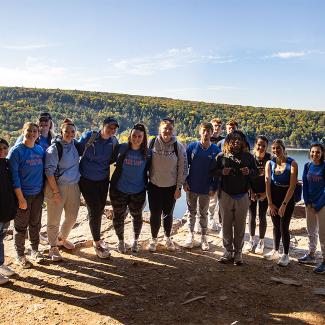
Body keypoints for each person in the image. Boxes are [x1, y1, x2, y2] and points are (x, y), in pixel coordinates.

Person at [213, 130, 258, 265]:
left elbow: (256, 173)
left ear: (243, 142)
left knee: (240, 226)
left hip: (242, 195)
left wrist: (249, 171)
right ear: (228, 141)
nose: (236, 141)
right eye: (233, 139)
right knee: (226, 224)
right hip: (226, 194)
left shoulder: (248, 157)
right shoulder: (221, 156)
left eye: (239, 139)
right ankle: (228, 251)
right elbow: (213, 171)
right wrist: (222, 172)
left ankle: (238, 253)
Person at [78, 117, 119, 259]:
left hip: (103, 180)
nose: (111, 131)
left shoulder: (113, 142)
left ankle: (97, 237)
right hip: (86, 179)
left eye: (114, 129)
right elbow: (77, 149)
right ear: (103, 126)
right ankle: (97, 242)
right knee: (94, 209)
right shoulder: (90, 137)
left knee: (100, 208)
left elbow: (113, 159)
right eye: (109, 127)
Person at [110, 123, 151, 253]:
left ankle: (135, 241)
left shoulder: (148, 153)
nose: (136, 138)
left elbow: (153, 170)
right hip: (119, 190)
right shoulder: (121, 148)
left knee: (137, 216)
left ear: (144, 138)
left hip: (138, 191)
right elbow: (107, 161)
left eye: (139, 136)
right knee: (118, 216)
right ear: (130, 136)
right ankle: (121, 241)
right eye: (134, 135)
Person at [148, 118, 188, 252]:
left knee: (168, 214)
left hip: (171, 188)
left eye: (170, 129)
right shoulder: (152, 143)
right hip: (154, 186)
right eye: (165, 128)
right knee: (154, 214)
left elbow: (183, 168)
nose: (167, 131)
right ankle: (154, 239)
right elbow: (145, 163)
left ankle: (167, 238)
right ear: (160, 129)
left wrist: (179, 187)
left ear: (173, 130)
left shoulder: (178, 146)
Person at [8, 122, 45, 268]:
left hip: (37, 194)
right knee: (20, 227)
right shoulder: (16, 151)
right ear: (23, 132)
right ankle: (20, 255)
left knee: (35, 224)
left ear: (38, 134)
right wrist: (20, 198)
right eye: (29, 131)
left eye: (34, 131)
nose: (32, 133)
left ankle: (34, 250)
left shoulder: (39, 150)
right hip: (23, 195)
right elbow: (14, 177)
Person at [45, 119, 81, 261]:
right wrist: (55, 192)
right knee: (54, 219)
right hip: (57, 186)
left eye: (72, 132)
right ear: (61, 132)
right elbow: (49, 171)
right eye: (67, 131)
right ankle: (53, 247)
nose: (70, 134)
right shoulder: (55, 148)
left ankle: (61, 238)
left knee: (72, 217)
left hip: (74, 185)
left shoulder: (74, 145)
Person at [184, 122, 220, 251]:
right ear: (200, 132)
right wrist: (185, 182)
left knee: (204, 213)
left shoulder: (216, 150)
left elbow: (218, 172)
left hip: (206, 188)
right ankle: (190, 234)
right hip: (192, 186)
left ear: (212, 133)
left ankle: (204, 237)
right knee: (191, 212)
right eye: (204, 131)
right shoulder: (192, 147)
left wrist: (214, 187)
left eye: (208, 131)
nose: (206, 133)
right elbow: (184, 166)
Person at [264, 139, 298, 267]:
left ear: (283, 148)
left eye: (278, 148)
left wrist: (284, 204)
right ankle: (275, 250)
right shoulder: (270, 163)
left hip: (287, 199)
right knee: (275, 226)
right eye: (273, 148)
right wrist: (270, 203)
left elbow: (292, 186)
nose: (276, 151)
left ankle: (286, 255)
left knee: (284, 226)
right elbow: (267, 184)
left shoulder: (292, 163)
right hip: (274, 198)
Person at [298, 143, 325, 274]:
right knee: (311, 230)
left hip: (322, 204)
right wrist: (307, 201)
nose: (315, 154)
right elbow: (305, 184)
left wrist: (318, 204)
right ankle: (311, 254)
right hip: (309, 204)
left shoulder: (324, 167)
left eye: (318, 152)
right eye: (313, 152)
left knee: (323, 233)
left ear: (322, 153)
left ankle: (324, 261)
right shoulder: (307, 166)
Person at [244, 135, 271, 255]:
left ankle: (261, 241)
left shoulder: (269, 158)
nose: (261, 147)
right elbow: (246, 176)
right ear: (255, 145)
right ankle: (251, 240)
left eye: (263, 145)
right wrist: (251, 191)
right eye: (259, 145)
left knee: (262, 216)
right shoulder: (250, 157)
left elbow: (272, 178)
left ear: (266, 147)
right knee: (252, 215)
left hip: (264, 191)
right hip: (252, 191)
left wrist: (266, 193)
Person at [0, 139, 17, 284]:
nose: (2, 150)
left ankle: (0, 265)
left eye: (5, 147)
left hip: (6, 209)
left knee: (1, 239)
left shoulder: (6, 164)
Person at [206, 117, 224, 231]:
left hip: (219, 175)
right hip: (206, 174)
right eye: (214, 126)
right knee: (205, 199)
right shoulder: (206, 139)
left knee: (216, 200)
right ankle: (204, 219)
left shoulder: (224, 141)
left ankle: (213, 220)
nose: (216, 128)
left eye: (218, 126)